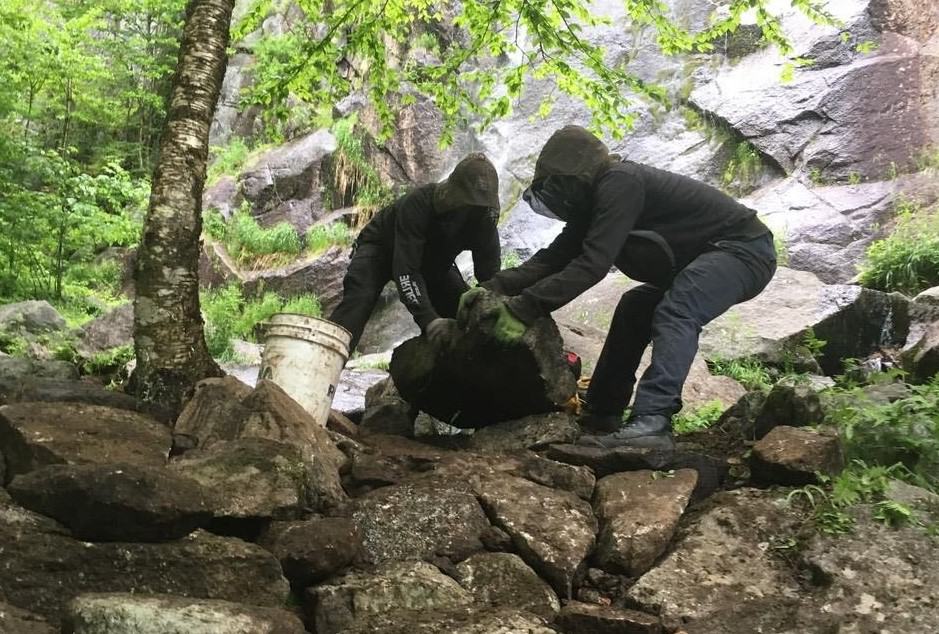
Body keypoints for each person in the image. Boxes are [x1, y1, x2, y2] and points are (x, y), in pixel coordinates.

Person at [463, 126, 777, 450]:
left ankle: (652, 422)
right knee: (635, 308)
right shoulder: (596, 204)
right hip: (714, 254)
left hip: (743, 248)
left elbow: (593, 264)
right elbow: (552, 259)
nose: (561, 193)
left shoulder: (620, 182)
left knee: (678, 309)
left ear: (579, 175)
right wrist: (493, 286)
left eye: (562, 183)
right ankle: (601, 415)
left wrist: (525, 307)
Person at [329, 153, 501, 353]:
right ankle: (320, 362)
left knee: (467, 314)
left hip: (433, 262)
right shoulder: (418, 203)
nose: (471, 211)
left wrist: (491, 305)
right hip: (379, 250)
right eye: (468, 204)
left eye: (478, 206)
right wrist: (429, 320)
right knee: (358, 302)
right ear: (453, 196)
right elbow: (407, 271)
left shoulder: (483, 222)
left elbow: (491, 278)